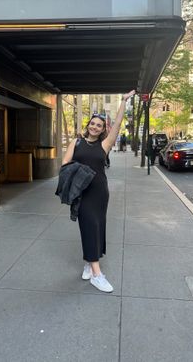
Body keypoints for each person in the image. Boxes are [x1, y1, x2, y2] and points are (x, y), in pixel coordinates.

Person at [62, 90, 135, 292]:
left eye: (99, 125)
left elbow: (118, 124)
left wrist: (123, 102)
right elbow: (65, 164)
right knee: (88, 226)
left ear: (103, 129)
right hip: (82, 193)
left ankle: (88, 262)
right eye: (92, 123)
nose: (95, 127)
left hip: (100, 193)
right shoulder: (76, 143)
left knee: (97, 227)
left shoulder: (105, 145)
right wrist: (82, 173)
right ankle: (97, 274)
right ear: (88, 125)